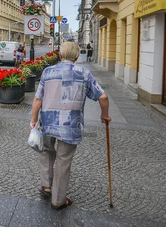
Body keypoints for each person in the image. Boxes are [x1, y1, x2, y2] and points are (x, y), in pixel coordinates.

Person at [30, 41, 110, 210]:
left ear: (60, 55)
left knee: (46, 151)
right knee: (63, 160)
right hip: (70, 125)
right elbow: (103, 97)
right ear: (76, 56)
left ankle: (46, 185)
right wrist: (105, 115)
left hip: (48, 122)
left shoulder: (48, 72)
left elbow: (38, 100)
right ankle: (58, 200)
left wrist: (33, 120)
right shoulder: (84, 74)